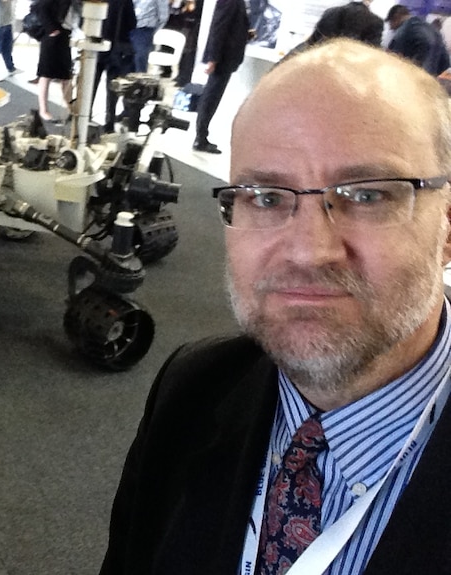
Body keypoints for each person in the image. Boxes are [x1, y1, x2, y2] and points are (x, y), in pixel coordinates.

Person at [100, 38, 451, 575]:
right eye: (265, 197)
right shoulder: (195, 386)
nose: (310, 252)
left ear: (447, 226)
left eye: (369, 195)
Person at [192, 0, 251, 154]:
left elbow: (231, 27)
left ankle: (201, 136)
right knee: (211, 96)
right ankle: (200, 138)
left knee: (212, 96)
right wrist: (213, 58)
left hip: (226, 57)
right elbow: (219, 27)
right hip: (223, 58)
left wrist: (246, 34)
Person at [91, 0, 136, 131]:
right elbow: (131, 23)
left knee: (91, 83)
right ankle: (109, 122)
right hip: (116, 48)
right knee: (112, 88)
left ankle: (85, 116)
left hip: (96, 43)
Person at [35, 0, 74, 122]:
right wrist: (52, 30)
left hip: (64, 35)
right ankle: (43, 110)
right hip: (52, 36)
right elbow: (40, 7)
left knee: (66, 76)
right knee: (46, 74)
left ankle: (71, 108)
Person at [387, 4, 451, 75]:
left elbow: (391, 58)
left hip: (416, 77)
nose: (390, 28)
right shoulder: (432, 29)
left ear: (396, 17)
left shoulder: (404, 30)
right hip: (432, 79)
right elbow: (445, 62)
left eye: (390, 23)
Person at [305, 0, 383, 47]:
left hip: (320, 61)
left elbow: (312, 41)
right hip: (348, 68)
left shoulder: (330, 12)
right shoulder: (376, 22)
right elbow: (372, 51)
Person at [130, 0, 169, 74]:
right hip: (128, 27)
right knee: (126, 61)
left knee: (140, 59)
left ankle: (139, 83)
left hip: (144, 29)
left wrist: (152, 29)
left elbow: (163, 17)